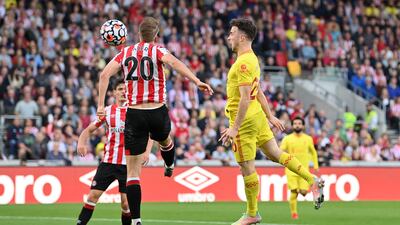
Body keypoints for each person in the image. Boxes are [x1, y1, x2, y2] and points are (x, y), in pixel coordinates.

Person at [96, 17, 213, 225]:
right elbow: (175, 64)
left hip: (133, 114)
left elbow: (104, 75)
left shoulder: (125, 53)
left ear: (138, 34)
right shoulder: (158, 50)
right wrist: (196, 81)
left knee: (132, 172)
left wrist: (99, 105)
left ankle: (136, 220)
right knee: (166, 140)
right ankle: (169, 163)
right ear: (156, 35)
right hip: (157, 110)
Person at [219, 18, 324, 225]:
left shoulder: (242, 64)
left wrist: (234, 128)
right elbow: (258, 93)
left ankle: (252, 213)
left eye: (231, 33)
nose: (228, 37)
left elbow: (245, 98)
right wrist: (269, 115)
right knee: (276, 153)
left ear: (241, 37)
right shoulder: (252, 59)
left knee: (246, 167)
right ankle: (312, 179)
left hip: (245, 121)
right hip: (257, 117)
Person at [76, 79, 152, 225]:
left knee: (125, 204)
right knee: (92, 196)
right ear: (114, 92)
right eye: (120, 89)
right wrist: (81, 142)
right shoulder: (107, 111)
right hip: (108, 162)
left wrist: (147, 152)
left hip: (128, 165)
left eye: (125, 89)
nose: (123, 91)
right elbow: (88, 130)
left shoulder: (135, 111)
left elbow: (150, 133)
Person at [280, 117, 319, 219]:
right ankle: (294, 213)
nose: (297, 125)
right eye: (295, 123)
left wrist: (316, 165)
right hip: (291, 170)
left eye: (299, 123)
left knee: (303, 192)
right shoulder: (287, 139)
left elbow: (313, 152)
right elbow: (280, 151)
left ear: (303, 126)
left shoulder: (308, 139)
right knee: (293, 191)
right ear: (292, 125)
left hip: (303, 171)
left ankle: (305, 191)